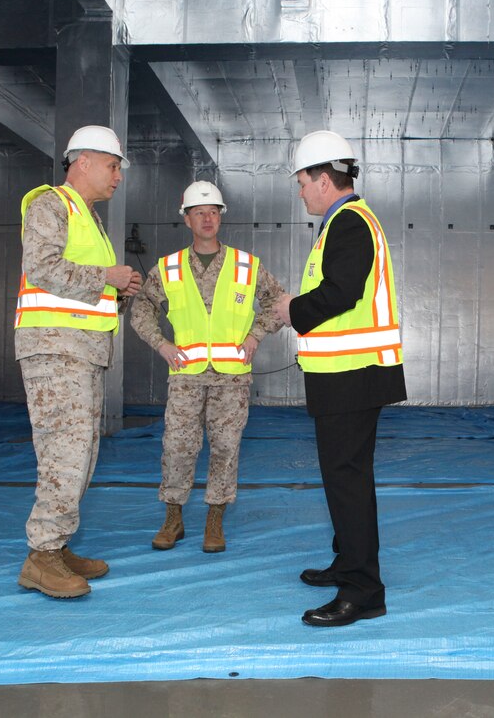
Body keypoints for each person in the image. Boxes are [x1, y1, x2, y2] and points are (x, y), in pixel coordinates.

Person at [274, 131, 406, 627]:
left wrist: (292, 309)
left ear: (324, 180)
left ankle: (363, 591)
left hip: (353, 375)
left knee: (347, 481)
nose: (301, 191)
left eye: (302, 182)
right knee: (346, 478)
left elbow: (342, 292)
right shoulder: (345, 222)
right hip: (347, 375)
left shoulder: (349, 223)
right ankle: (348, 562)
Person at [14, 124, 142, 599]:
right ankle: (41, 555)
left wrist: (118, 289)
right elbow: (42, 267)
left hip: (82, 351)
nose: (118, 177)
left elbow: (86, 287)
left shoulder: (89, 217)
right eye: (113, 166)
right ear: (83, 163)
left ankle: (58, 543)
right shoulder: (51, 204)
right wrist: (107, 276)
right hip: (55, 350)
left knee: (81, 455)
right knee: (63, 455)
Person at [131, 181, 284, 553]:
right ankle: (173, 518)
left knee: (226, 448)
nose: (207, 219)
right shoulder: (168, 268)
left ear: (221, 217)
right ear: (186, 219)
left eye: (213, 212)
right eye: (199, 212)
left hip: (232, 377)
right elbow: (141, 309)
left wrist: (256, 334)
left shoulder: (247, 265)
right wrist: (161, 344)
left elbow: (278, 302)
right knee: (177, 446)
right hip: (186, 375)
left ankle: (215, 520)